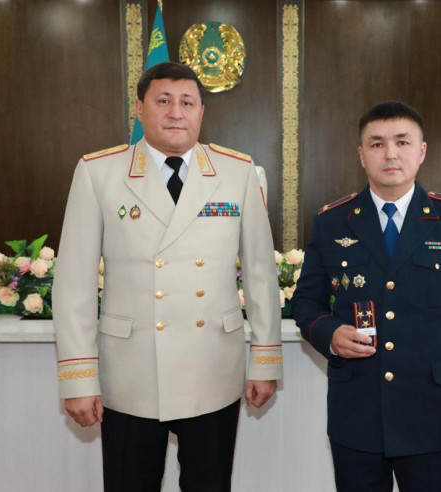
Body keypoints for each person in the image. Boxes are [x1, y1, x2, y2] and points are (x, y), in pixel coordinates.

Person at [52, 61, 283, 492]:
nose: (176, 112)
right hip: (131, 373)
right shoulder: (99, 172)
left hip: (212, 369)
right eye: (163, 101)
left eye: (187, 103)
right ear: (139, 108)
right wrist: (78, 378)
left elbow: (259, 273)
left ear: (201, 112)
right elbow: (73, 284)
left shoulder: (237, 172)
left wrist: (265, 360)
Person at [291, 101, 441, 491]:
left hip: (434, 415)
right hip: (358, 412)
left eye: (402, 142)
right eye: (377, 144)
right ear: (361, 154)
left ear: (421, 151)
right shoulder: (332, 221)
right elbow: (306, 302)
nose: (390, 154)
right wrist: (330, 334)